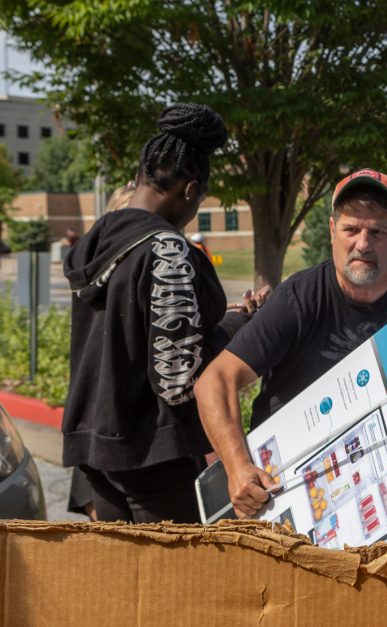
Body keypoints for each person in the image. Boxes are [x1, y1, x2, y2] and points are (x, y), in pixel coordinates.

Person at [62, 103, 257, 523]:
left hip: (97, 455)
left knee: (120, 583)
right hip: (153, 456)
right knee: (176, 585)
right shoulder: (167, 251)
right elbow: (177, 381)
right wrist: (238, 328)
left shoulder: (95, 242)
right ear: (189, 190)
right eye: (200, 197)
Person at [195, 169, 387, 519]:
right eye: (351, 229)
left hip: (384, 497)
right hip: (286, 494)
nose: (363, 244)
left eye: (377, 232)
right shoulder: (297, 299)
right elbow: (214, 382)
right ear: (333, 231)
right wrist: (238, 467)